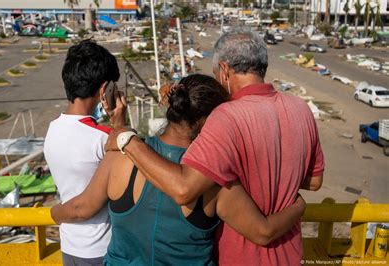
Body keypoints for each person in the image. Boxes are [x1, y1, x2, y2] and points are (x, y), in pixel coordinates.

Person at [105, 28, 325, 265]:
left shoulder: (225, 117)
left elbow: (184, 189)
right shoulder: (301, 109)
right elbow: (314, 181)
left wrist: (126, 137)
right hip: (290, 254)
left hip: (241, 257)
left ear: (224, 70)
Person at [51, 74, 307, 265]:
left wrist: (53, 213)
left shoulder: (122, 156)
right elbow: (262, 232)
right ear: (210, 121)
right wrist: (298, 207)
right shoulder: (214, 181)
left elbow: (80, 207)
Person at [44, 40, 125, 266]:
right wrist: (121, 124)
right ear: (104, 89)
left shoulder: (52, 130)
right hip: (104, 248)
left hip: (70, 245)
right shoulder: (104, 137)